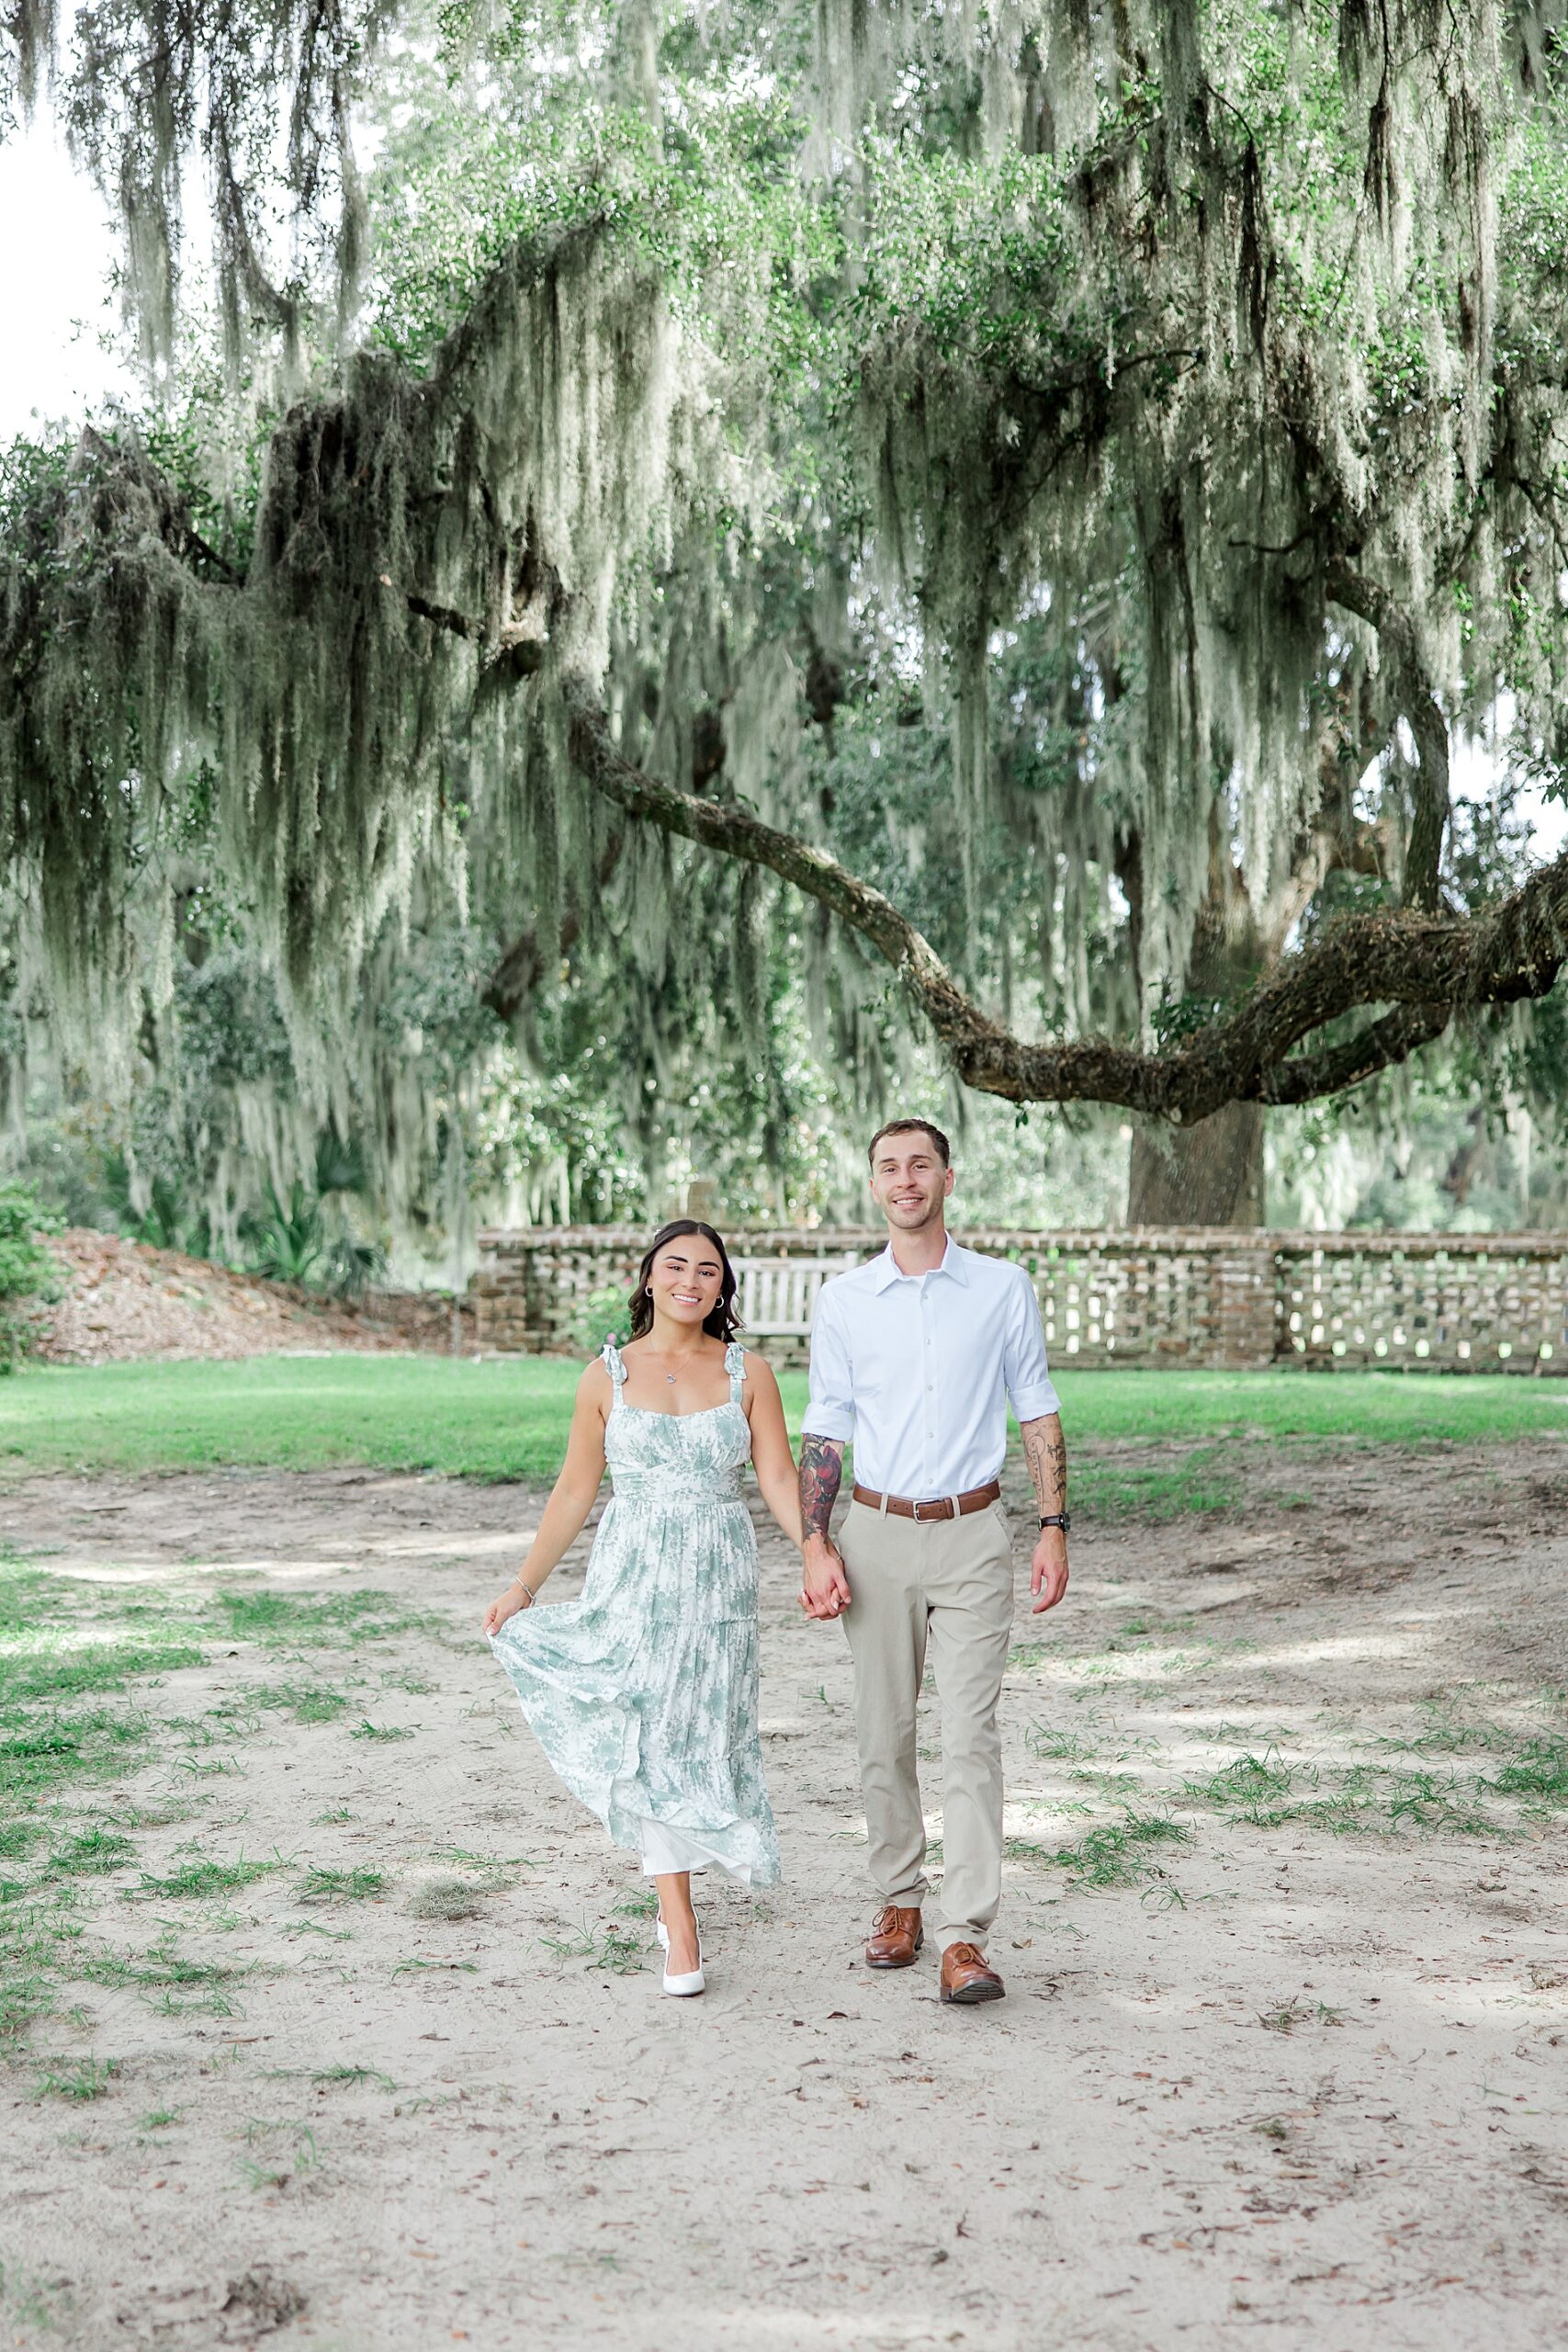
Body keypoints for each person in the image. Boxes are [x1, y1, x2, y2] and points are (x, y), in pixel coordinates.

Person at [483, 1219, 800, 1996]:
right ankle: (681, 1922)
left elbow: (780, 1479)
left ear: (722, 1287)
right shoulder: (607, 1377)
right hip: (633, 1574)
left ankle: (676, 1890)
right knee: (649, 1729)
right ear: (649, 1277)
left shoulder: (747, 1373)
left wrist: (819, 1552)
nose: (690, 1280)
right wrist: (523, 1586)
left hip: (717, 1576)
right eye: (675, 1265)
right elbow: (573, 1491)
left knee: (701, 1730)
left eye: (707, 1270)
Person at [797, 1119, 1070, 2007]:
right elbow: (826, 1430)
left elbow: (1035, 1410)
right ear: (873, 1184)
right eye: (888, 1167)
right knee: (883, 1734)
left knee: (970, 1738)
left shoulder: (1001, 1289)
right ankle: (899, 1902)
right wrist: (815, 1540)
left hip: (972, 1535)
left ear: (947, 1178)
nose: (905, 1179)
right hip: (873, 1534)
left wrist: (1054, 1525)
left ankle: (963, 1936)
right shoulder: (844, 1301)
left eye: (920, 1165)